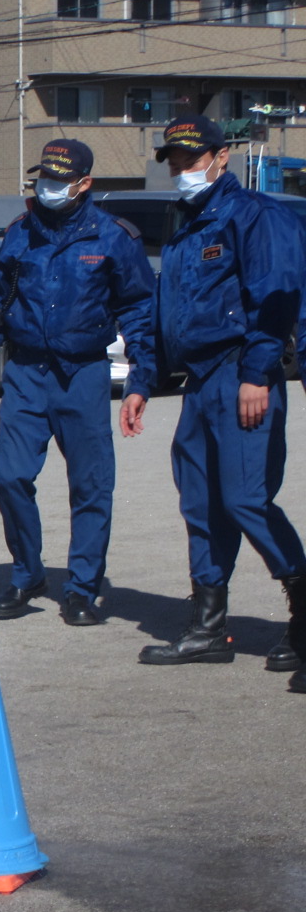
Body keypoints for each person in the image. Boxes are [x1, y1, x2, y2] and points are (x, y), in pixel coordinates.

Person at [120, 114, 306, 692]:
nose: (180, 170)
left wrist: (257, 374)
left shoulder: (255, 216)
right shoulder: (187, 225)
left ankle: (303, 614)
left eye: (190, 159)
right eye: (173, 161)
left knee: (248, 499)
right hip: (199, 382)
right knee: (200, 503)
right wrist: (142, 380)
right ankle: (207, 627)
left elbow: (275, 299)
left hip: (241, 376)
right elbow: (162, 312)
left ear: (221, 157)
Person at [0, 138, 156, 625]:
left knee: (91, 485)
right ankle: (28, 571)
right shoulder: (20, 233)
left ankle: (81, 587)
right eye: (43, 178)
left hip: (84, 373)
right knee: (7, 475)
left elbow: (139, 309)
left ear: (84, 183)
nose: (47, 188)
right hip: (27, 372)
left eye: (58, 179)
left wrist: (141, 376)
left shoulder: (113, 237)